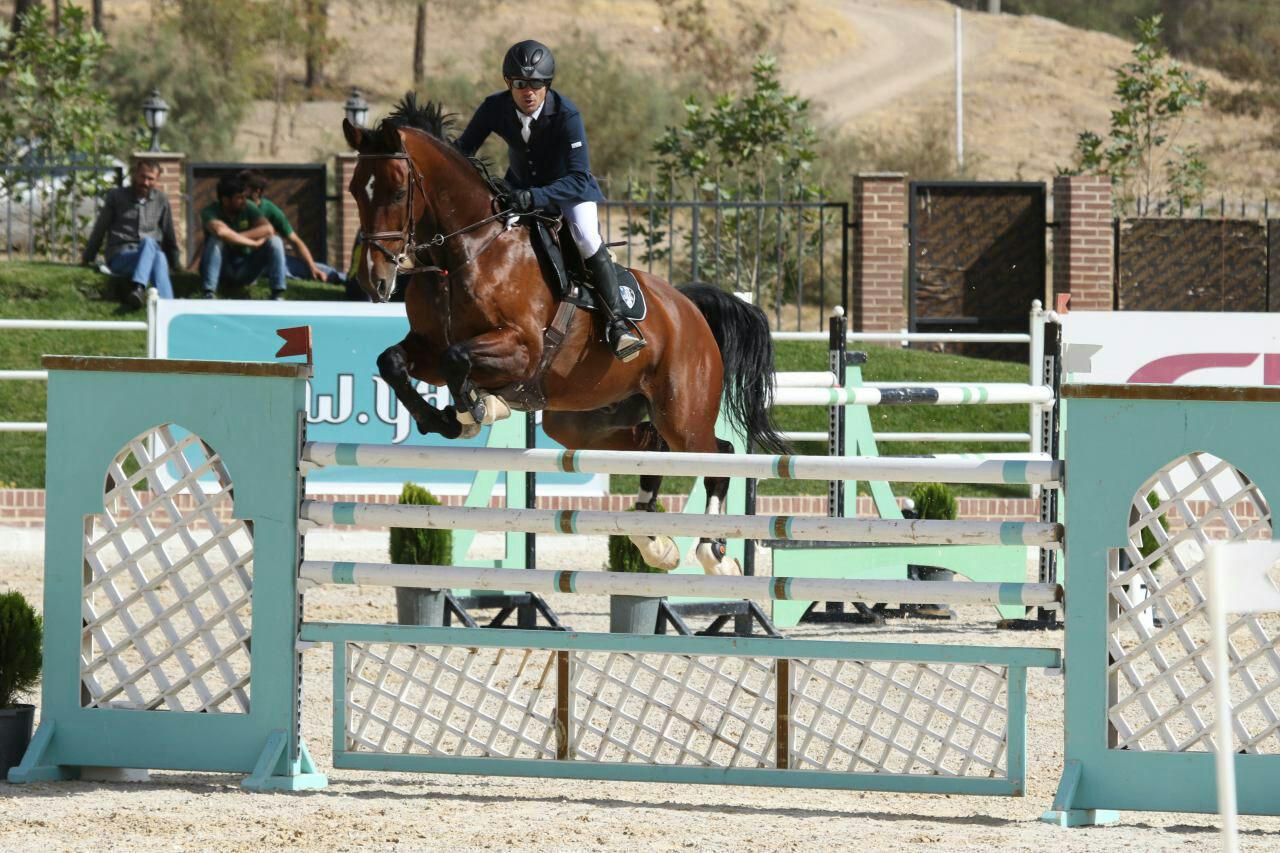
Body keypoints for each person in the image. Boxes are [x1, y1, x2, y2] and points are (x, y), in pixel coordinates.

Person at [455, 39, 643, 360]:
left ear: (547, 85)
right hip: (521, 189)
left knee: (585, 236)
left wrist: (538, 195)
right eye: (520, 84)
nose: (528, 91)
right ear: (508, 84)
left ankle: (617, 323)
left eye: (537, 84)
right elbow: (461, 152)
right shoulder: (493, 108)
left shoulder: (566, 115)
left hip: (568, 190)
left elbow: (580, 176)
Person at [81, 159, 179, 306]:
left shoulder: (161, 200)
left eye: (150, 179)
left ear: (157, 180)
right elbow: (100, 228)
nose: (145, 182)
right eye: (142, 177)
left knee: (156, 254)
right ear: (134, 175)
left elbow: (169, 233)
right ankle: (145, 291)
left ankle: (164, 306)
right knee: (152, 246)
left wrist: (175, 263)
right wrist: (88, 257)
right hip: (122, 256)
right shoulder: (116, 196)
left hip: (150, 254)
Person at [238, 169, 348, 287]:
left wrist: (312, 267)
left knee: (312, 268)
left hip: (268, 261)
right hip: (242, 261)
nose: (238, 192)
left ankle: (350, 280)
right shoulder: (233, 208)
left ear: (256, 192)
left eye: (243, 188)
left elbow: (295, 241)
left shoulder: (270, 210)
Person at [198, 173, 288, 300]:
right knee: (216, 240)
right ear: (225, 200)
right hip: (224, 268)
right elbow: (221, 232)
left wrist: (234, 238)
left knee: (276, 241)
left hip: (247, 267)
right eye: (239, 198)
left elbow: (268, 229)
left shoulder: (248, 207)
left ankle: (277, 292)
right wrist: (252, 243)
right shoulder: (210, 212)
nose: (244, 201)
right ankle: (209, 292)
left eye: (245, 197)